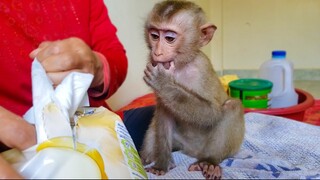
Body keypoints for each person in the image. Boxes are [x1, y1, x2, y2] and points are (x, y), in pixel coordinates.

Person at [0, 0, 153, 178]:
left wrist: (95, 67)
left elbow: (114, 55)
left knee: (174, 118)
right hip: (18, 151)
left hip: (102, 127)